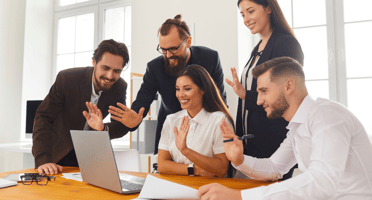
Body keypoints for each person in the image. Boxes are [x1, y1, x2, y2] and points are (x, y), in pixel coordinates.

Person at [198, 57, 372, 200]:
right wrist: (239, 159)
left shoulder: (326, 115)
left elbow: (322, 182)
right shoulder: (298, 127)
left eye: (264, 91)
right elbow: (275, 168)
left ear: (289, 86)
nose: (258, 101)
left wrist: (240, 196)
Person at [108, 14, 226, 154]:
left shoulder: (210, 58)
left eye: (173, 49)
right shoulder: (155, 67)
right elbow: (141, 103)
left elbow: (220, 101)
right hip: (170, 130)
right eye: (163, 49)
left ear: (188, 42)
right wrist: (133, 120)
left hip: (205, 128)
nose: (168, 55)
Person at [226, 0, 304, 180]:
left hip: (274, 141)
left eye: (250, 11)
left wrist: (246, 94)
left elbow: (285, 95)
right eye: (243, 14)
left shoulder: (285, 43)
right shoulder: (258, 47)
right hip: (252, 141)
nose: (246, 19)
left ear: (268, 8)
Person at [32, 39, 130, 175]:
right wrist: (43, 159)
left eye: (117, 71)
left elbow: (121, 125)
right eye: (105, 68)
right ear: (94, 62)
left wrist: (103, 128)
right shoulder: (67, 79)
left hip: (88, 156)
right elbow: (43, 117)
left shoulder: (119, 87)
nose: (110, 76)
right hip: (57, 152)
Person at [158, 65, 232, 178]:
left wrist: (185, 150)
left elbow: (221, 168)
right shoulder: (171, 120)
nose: (180, 95)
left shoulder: (219, 121)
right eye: (178, 89)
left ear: (203, 90)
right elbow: (162, 165)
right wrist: (194, 170)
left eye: (187, 89)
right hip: (179, 186)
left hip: (211, 188)